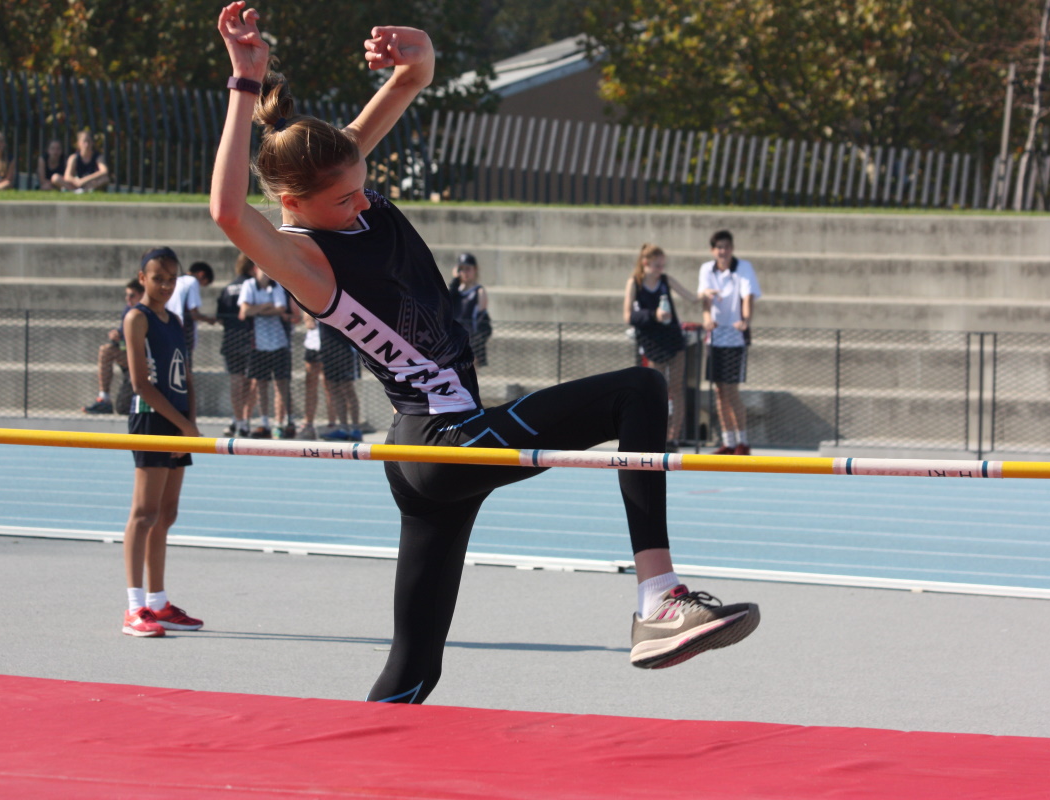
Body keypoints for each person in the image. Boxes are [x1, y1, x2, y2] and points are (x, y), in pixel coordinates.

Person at [211, 3, 758, 703]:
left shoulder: (342, 184)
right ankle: (658, 600)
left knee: (416, 666)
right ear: (293, 200)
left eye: (363, 185)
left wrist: (420, 56)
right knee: (641, 391)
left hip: (432, 448)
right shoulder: (305, 261)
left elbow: (412, 80)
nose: (364, 202)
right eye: (346, 199)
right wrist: (243, 82)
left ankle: (364, 750)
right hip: (443, 444)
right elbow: (228, 212)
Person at [120, 246, 203, 637]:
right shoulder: (138, 318)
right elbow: (141, 383)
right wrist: (182, 425)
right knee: (144, 514)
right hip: (152, 419)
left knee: (166, 514)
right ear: (143, 279)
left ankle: (158, 602)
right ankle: (134, 607)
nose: (166, 286)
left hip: (179, 422)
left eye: (172, 279)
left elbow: (186, 375)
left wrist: (191, 425)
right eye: (158, 278)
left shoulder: (176, 319)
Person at [624, 244, 697, 449]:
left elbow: (691, 297)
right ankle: (657, 433)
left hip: (673, 339)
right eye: (657, 265)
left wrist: (707, 294)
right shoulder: (635, 283)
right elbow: (628, 316)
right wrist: (653, 315)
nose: (660, 269)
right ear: (645, 263)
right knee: (657, 390)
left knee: (676, 388)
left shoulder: (665, 280)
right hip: (653, 343)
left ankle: (673, 436)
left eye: (662, 265)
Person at [697, 230, 760, 455]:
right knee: (719, 392)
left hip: (735, 339)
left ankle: (743, 442)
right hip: (715, 338)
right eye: (719, 247)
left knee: (732, 391)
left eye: (727, 247)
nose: (723, 251)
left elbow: (748, 296)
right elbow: (704, 298)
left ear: (732, 248)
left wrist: (745, 320)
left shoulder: (743, 267)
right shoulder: (707, 269)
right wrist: (707, 319)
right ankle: (729, 441)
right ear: (713, 250)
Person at [239, 261, 295, 439]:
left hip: (279, 343)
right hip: (258, 345)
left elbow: (280, 309)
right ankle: (264, 423)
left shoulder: (276, 285)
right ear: (255, 269)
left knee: (281, 384)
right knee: (261, 385)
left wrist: (257, 309)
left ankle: (283, 422)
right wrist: (266, 307)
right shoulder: (249, 285)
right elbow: (245, 311)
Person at [84, 277, 145, 415]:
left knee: (124, 408)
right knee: (106, 350)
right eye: (126, 295)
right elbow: (124, 333)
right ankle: (104, 398)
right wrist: (117, 335)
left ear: (142, 295)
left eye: (132, 295)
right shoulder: (128, 310)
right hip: (128, 355)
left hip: (143, 360)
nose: (128, 298)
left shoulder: (147, 312)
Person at [217, 253, 257, 437]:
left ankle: (237, 418)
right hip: (251, 338)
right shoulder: (254, 286)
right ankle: (244, 420)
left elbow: (220, 316)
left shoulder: (228, 288)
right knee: (251, 382)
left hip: (231, 338)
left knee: (236, 380)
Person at [319, 323, 362, 441]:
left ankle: (356, 429)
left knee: (347, 388)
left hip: (345, 347)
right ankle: (343, 428)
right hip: (328, 347)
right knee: (333, 388)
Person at [448, 252, 491, 369]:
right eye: (461, 269)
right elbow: (446, 303)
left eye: (468, 269)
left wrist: (475, 347)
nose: (464, 272)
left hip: (469, 342)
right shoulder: (455, 291)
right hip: (453, 342)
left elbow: (481, 321)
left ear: (475, 270)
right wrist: (455, 280)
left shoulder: (479, 292)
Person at [298, 308, 334, 440]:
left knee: (329, 386)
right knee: (310, 385)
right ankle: (308, 424)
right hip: (312, 345)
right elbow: (309, 322)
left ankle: (332, 424)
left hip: (329, 344)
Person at [166, 261, 217, 352]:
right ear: (201, 274)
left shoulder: (177, 280)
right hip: (184, 331)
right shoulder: (192, 281)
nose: (200, 286)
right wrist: (209, 320)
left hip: (169, 328)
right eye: (203, 283)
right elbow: (193, 313)